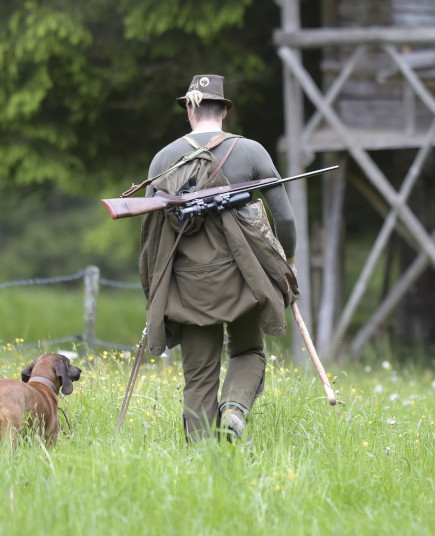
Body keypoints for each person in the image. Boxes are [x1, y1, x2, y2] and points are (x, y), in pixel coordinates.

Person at [138, 74, 298, 444]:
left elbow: (149, 236)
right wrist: (286, 260)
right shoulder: (252, 151)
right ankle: (233, 410)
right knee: (248, 351)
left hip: (187, 285)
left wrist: (153, 290)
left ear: (190, 109)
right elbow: (285, 219)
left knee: (198, 376)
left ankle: (201, 462)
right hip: (244, 279)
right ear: (224, 110)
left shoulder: (162, 158)